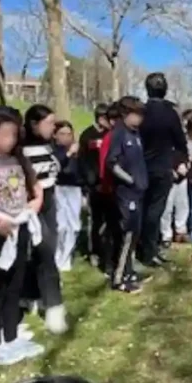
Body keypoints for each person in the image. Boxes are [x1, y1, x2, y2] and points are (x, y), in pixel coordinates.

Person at [0, 107, 45, 363]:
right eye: (5, 134)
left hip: (20, 227)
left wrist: (33, 205)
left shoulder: (18, 159)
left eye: (14, 134)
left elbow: (33, 188)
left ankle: (11, 334)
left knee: (16, 283)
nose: (10, 140)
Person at [22, 104, 68, 334]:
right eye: (48, 123)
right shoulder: (23, 150)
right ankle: (54, 306)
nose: (53, 127)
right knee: (45, 252)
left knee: (44, 251)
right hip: (33, 203)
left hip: (49, 201)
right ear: (33, 124)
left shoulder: (47, 146)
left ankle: (34, 295)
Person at [138, 72, 188, 267]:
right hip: (161, 169)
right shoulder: (170, 113)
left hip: (140, 169)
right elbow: (180, 143)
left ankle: (142, 248)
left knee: (144, 210)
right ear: (165, 90)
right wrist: (180, 162)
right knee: (154, 212)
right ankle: (149, 252)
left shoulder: (141, 112)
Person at [106, 96, 149, 292]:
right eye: (136, 114)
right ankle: (119, 278)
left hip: (139, 193)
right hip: (126, 194)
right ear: (125, 114)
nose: (139, 118)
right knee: (127, 234)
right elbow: (111, 163)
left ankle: (130, 271)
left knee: (135, 234)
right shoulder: (119, 134)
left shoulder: (136, 134)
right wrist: (129, 180)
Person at [78, 103, 110, 267]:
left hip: (108, 184)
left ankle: (106, 250)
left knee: (107, 220)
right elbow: (81, 160)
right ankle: (94, 251)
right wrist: (88, 181)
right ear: (100, 117)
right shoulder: (87, 135)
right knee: (94, 220)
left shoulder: (110, 135)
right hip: (93, 185)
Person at [53, 120, 83, 272]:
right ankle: (57, 256)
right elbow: (57, 166)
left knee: (74, 225)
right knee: (61, 226)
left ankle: (66, 258)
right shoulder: (54, 151)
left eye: (68, 134)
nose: (65, 137)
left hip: (74, 188)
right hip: (58, 187)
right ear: (55, 136)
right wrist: (69, 153)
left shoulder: (78, 150)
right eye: (62, 134)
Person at [161, 140, 190, 245]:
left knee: (182, 205)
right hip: (168, 178)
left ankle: (180, 231)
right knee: (167, 208)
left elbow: (186, 155)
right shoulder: (162, 143)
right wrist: (171, 170)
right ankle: (166, 235)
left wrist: (186, 165)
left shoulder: (181, 143)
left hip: (182, 178)